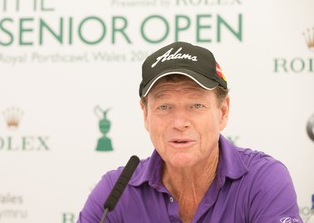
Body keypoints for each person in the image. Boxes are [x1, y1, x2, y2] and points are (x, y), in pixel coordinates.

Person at [77, 41, 302, 223]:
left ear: (222, 112)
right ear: (146, 115)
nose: (180, 122)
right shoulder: (116, 192)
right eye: (164, 107)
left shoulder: (263, 180)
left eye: (196, 105)